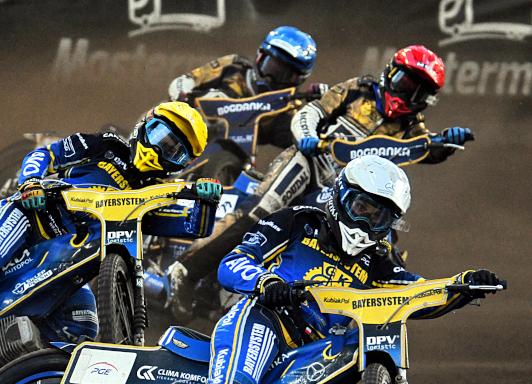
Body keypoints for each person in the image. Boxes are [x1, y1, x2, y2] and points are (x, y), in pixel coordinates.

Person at [93, 155, 499, 384]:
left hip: (305, 357)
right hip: (263, 321)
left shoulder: (380, 262)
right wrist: (266, 281)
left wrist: (459, 286)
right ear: (340, 196)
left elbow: (415, 294)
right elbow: (232, 263)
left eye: (379, 217)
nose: (366, 222)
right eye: (361, 207)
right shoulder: (298, 221)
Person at [0, 102, 219, 376]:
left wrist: (207, 202)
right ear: (145, 127)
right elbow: (45, 153)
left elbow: (192, 228)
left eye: (174, 151)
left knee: (82, 327)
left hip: (68, 261)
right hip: (31, 217)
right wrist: (31, 182)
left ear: (182, 164)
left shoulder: (153, 198)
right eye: (161, 137)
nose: (160, 151)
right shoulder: (107, 146)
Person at [166, 45, 474, 319]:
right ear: (390, 73)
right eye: (404, 82)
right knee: (262, 210)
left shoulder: (413, 128)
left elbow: (426, 149)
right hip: (310, 161)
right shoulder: (358, 90)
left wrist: (445, 144)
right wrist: (307, 136)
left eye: (417, 91)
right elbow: (314, 110)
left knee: (377, 242)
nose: (407, 94)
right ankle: (186, 270)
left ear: (426, 100)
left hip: (345, 192)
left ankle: (344, 316)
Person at [168, 25, 322, 151]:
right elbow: (184, 80)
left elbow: (303, 136)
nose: (271, 79)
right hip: (189, 127)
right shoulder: (234, 66)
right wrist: (183, 97)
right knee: (216, 97)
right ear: (260, 57)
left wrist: (320, 108)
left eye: (285, 76)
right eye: (271, 68)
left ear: (299, 79)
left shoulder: (286, 109)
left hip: (231, 156)